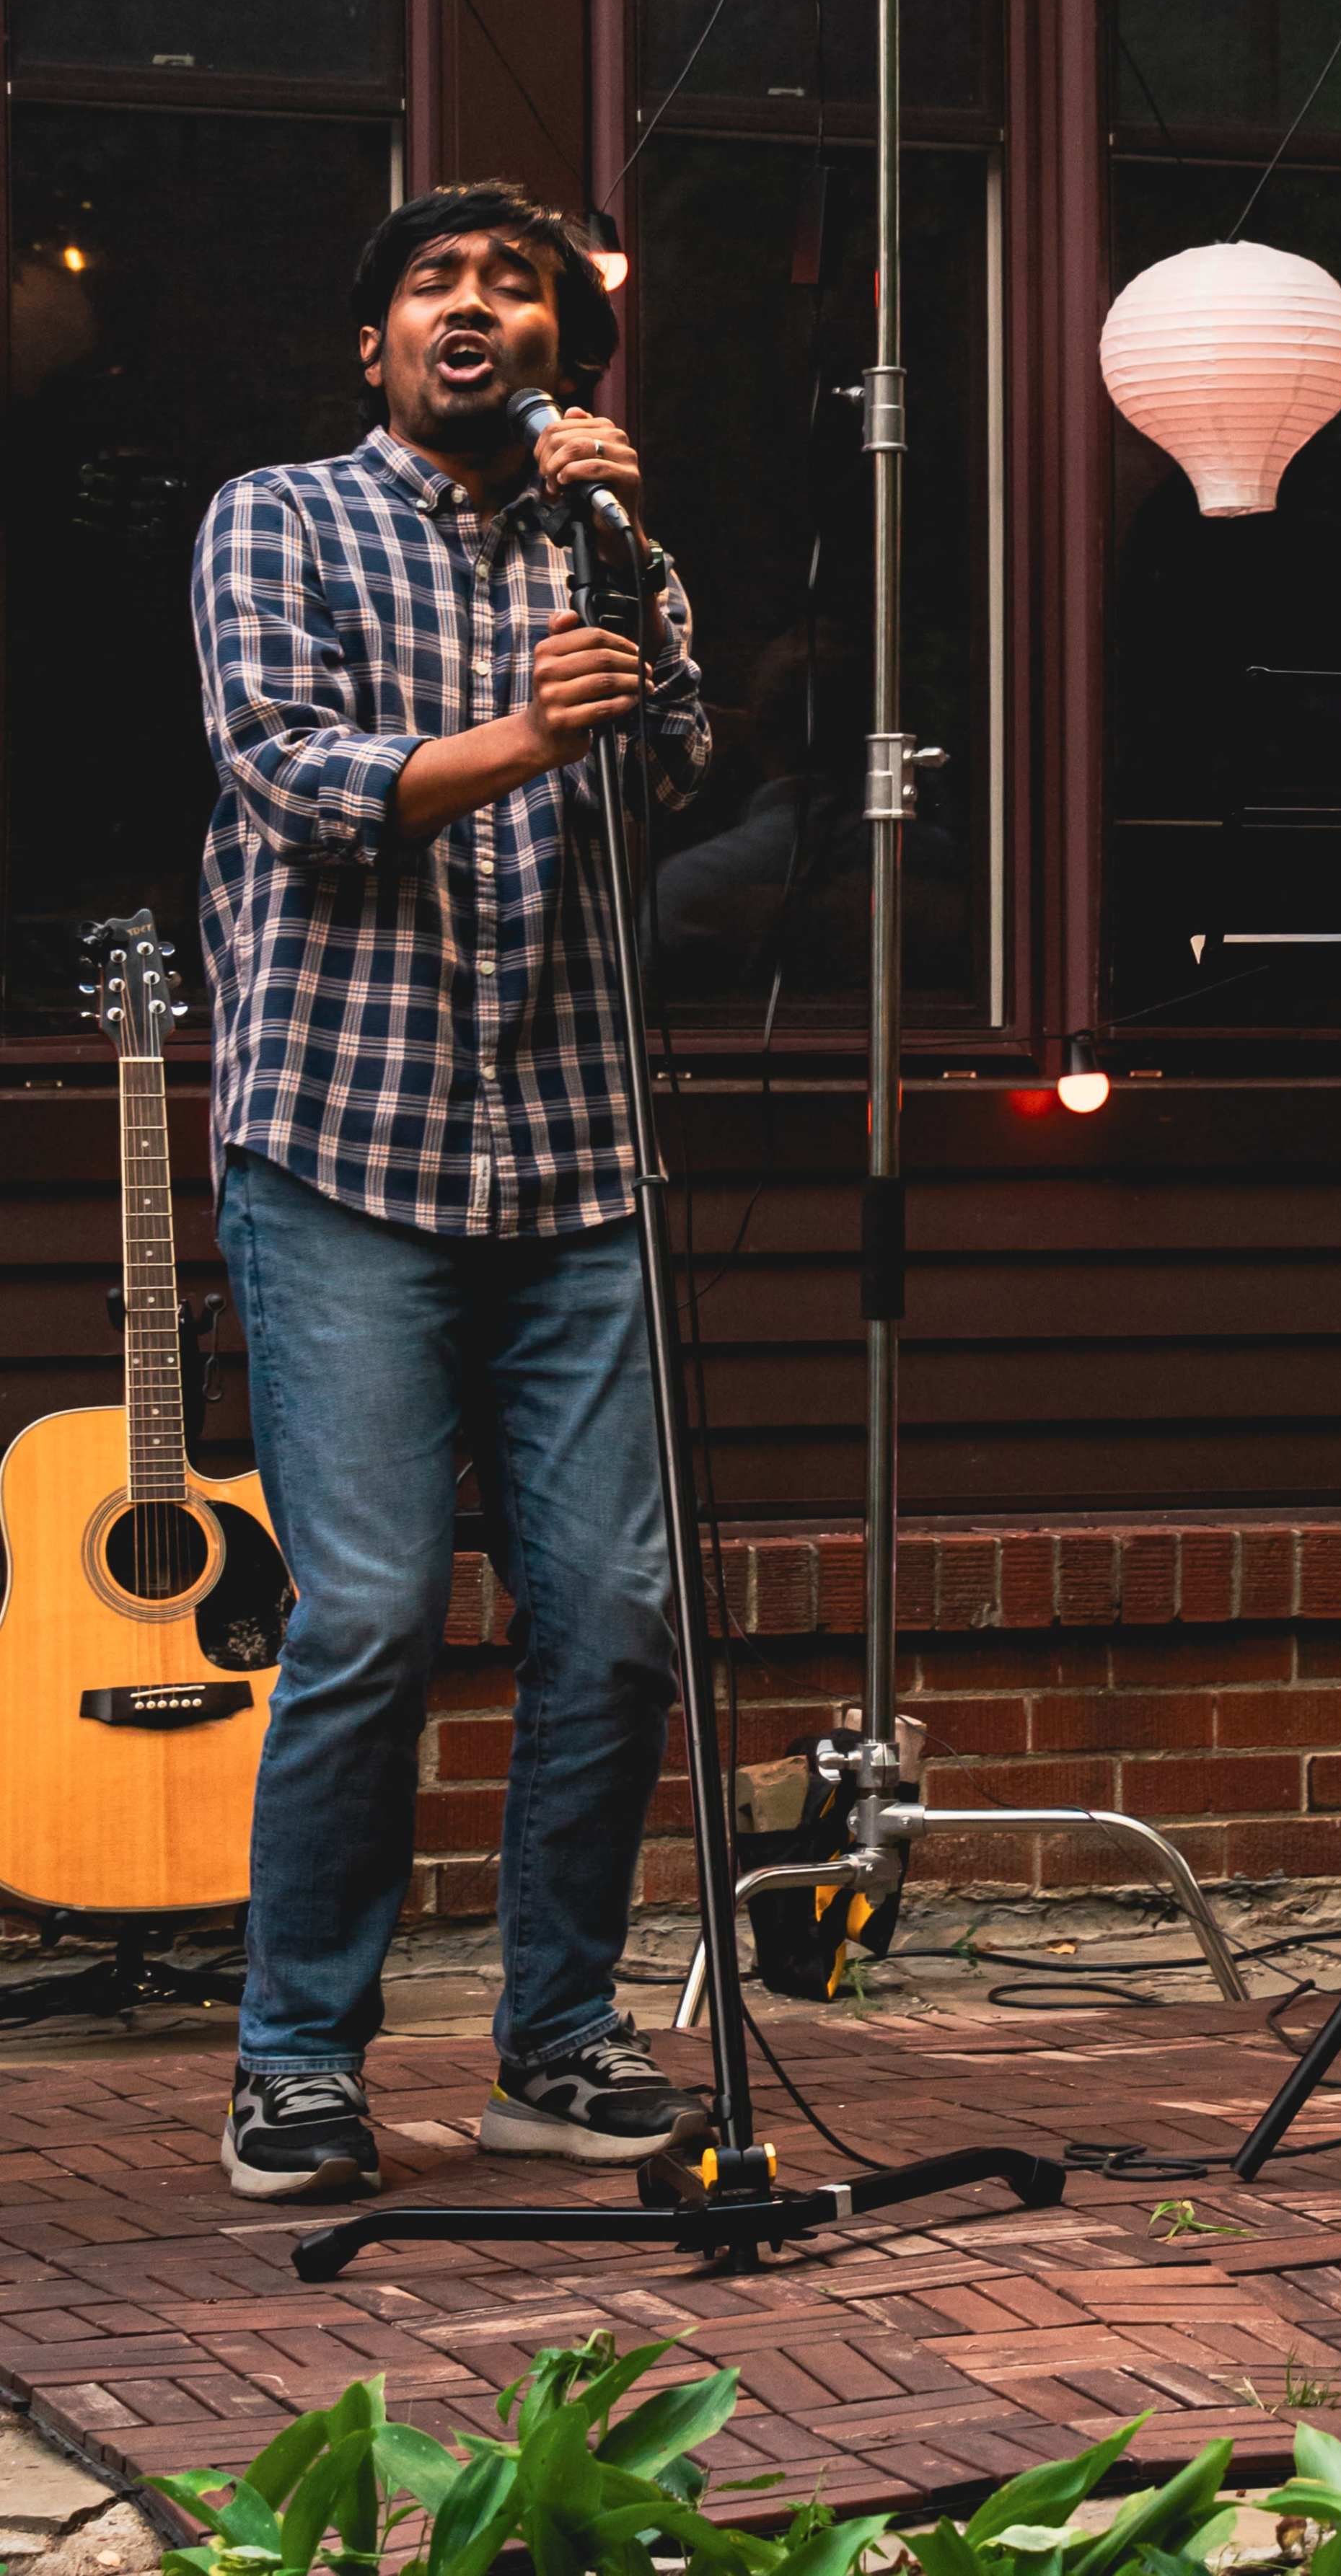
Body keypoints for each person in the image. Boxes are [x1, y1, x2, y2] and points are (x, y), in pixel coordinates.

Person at [194, 182, 717, 2200]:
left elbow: (669, 765)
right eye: (439, 284)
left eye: (520, 290)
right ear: (378, 339)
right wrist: (520, 727)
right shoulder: (280, 516)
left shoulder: (607, 551)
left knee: (613, 1615)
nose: (478, 310)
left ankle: (556, 2041)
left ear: (568, 358)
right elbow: (295, 774)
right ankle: (297, 2056)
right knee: (377, 1613)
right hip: (346, 1152)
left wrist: (635, 551)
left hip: (575, 1151)